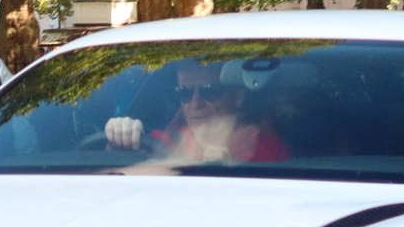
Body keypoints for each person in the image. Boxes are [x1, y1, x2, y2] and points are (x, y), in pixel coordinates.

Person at [105, 59, 287, 164]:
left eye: (210, 91)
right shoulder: (160, 142)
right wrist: (118, 138)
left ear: (238, 97)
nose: (195, 102)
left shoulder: (268, 150)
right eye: (184, 92)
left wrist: (234, 170)